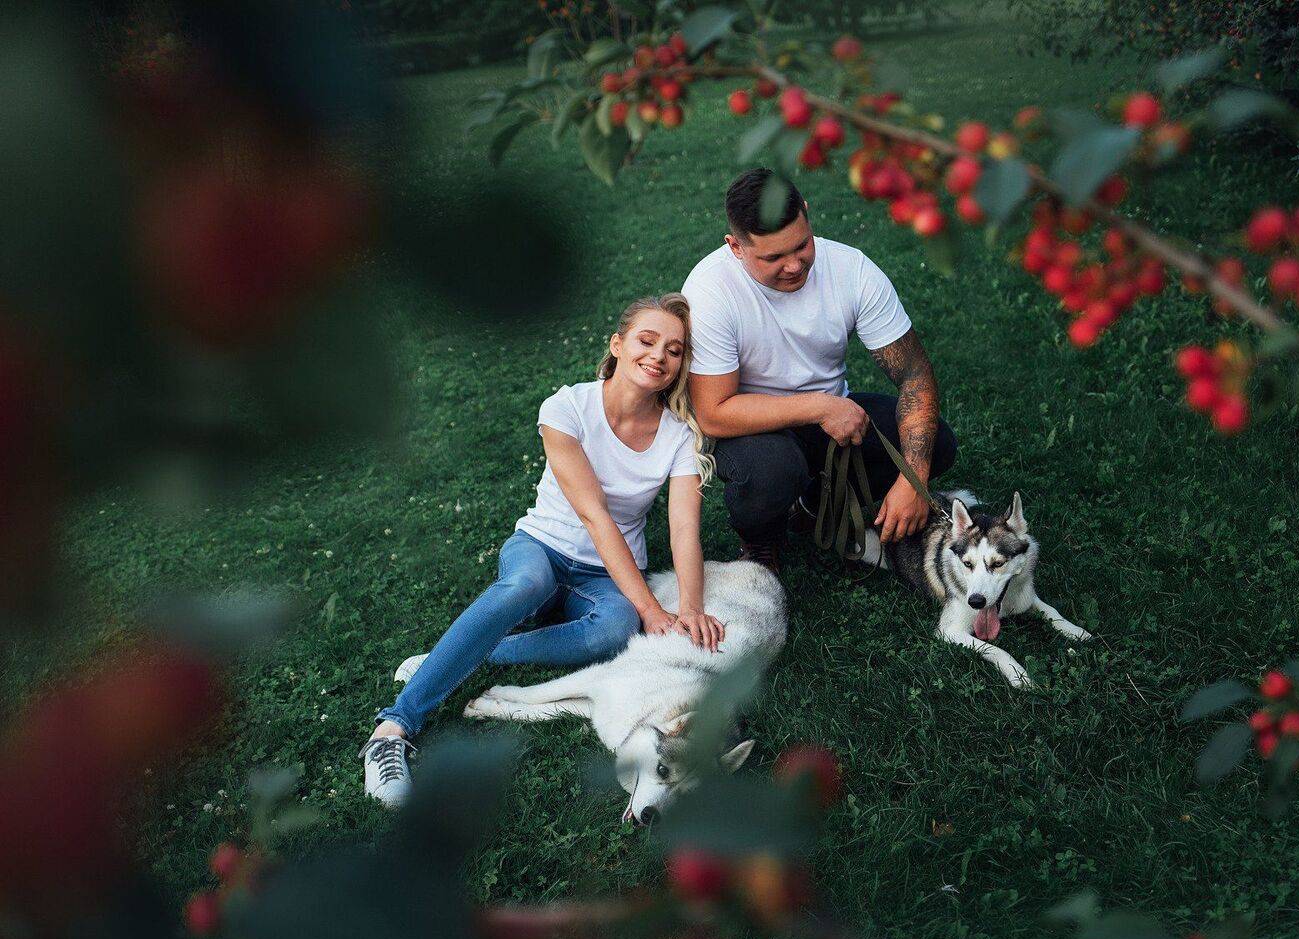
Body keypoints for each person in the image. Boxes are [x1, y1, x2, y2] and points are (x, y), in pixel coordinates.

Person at [360, 293, 723, 807]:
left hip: (606, 574)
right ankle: (392, 730)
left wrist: (689, 607)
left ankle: (462, 652)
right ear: (617, 345)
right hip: (542, 547)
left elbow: (684, 527)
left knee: (614, 630)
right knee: (525, 586)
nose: (659, 356)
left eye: (674, 350)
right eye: (647, 341)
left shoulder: (679, 435)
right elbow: (594, 515)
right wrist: (650, 608)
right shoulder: (566, 407)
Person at [682, 168, 958, 573]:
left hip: (834, 418)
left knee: (938, 444)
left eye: (801, 245)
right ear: (736, 247)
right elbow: (713, 413)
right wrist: (820, 406)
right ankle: (761, 539)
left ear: (807, 213)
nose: (794, 265)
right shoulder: (709, 290)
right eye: (773, 257)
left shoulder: (852, 269)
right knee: (771, 470)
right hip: (751, 427)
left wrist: (913, 479)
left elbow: (914, 374)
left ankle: (812, 508)